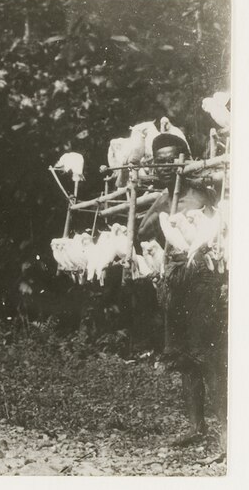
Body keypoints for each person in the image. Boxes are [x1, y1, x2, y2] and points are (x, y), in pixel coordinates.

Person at [138, 133, 227, 450]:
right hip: (175, 281)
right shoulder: (163, 199)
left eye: (171, 159)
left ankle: (228, 433)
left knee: (209, 354)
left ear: (185, 160)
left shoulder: (203, 195)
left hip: (202, 279)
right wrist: (161, 210)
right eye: (159, 160)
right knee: (185, 358)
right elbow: (142, 232)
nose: (165, 166)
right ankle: (196, 427)